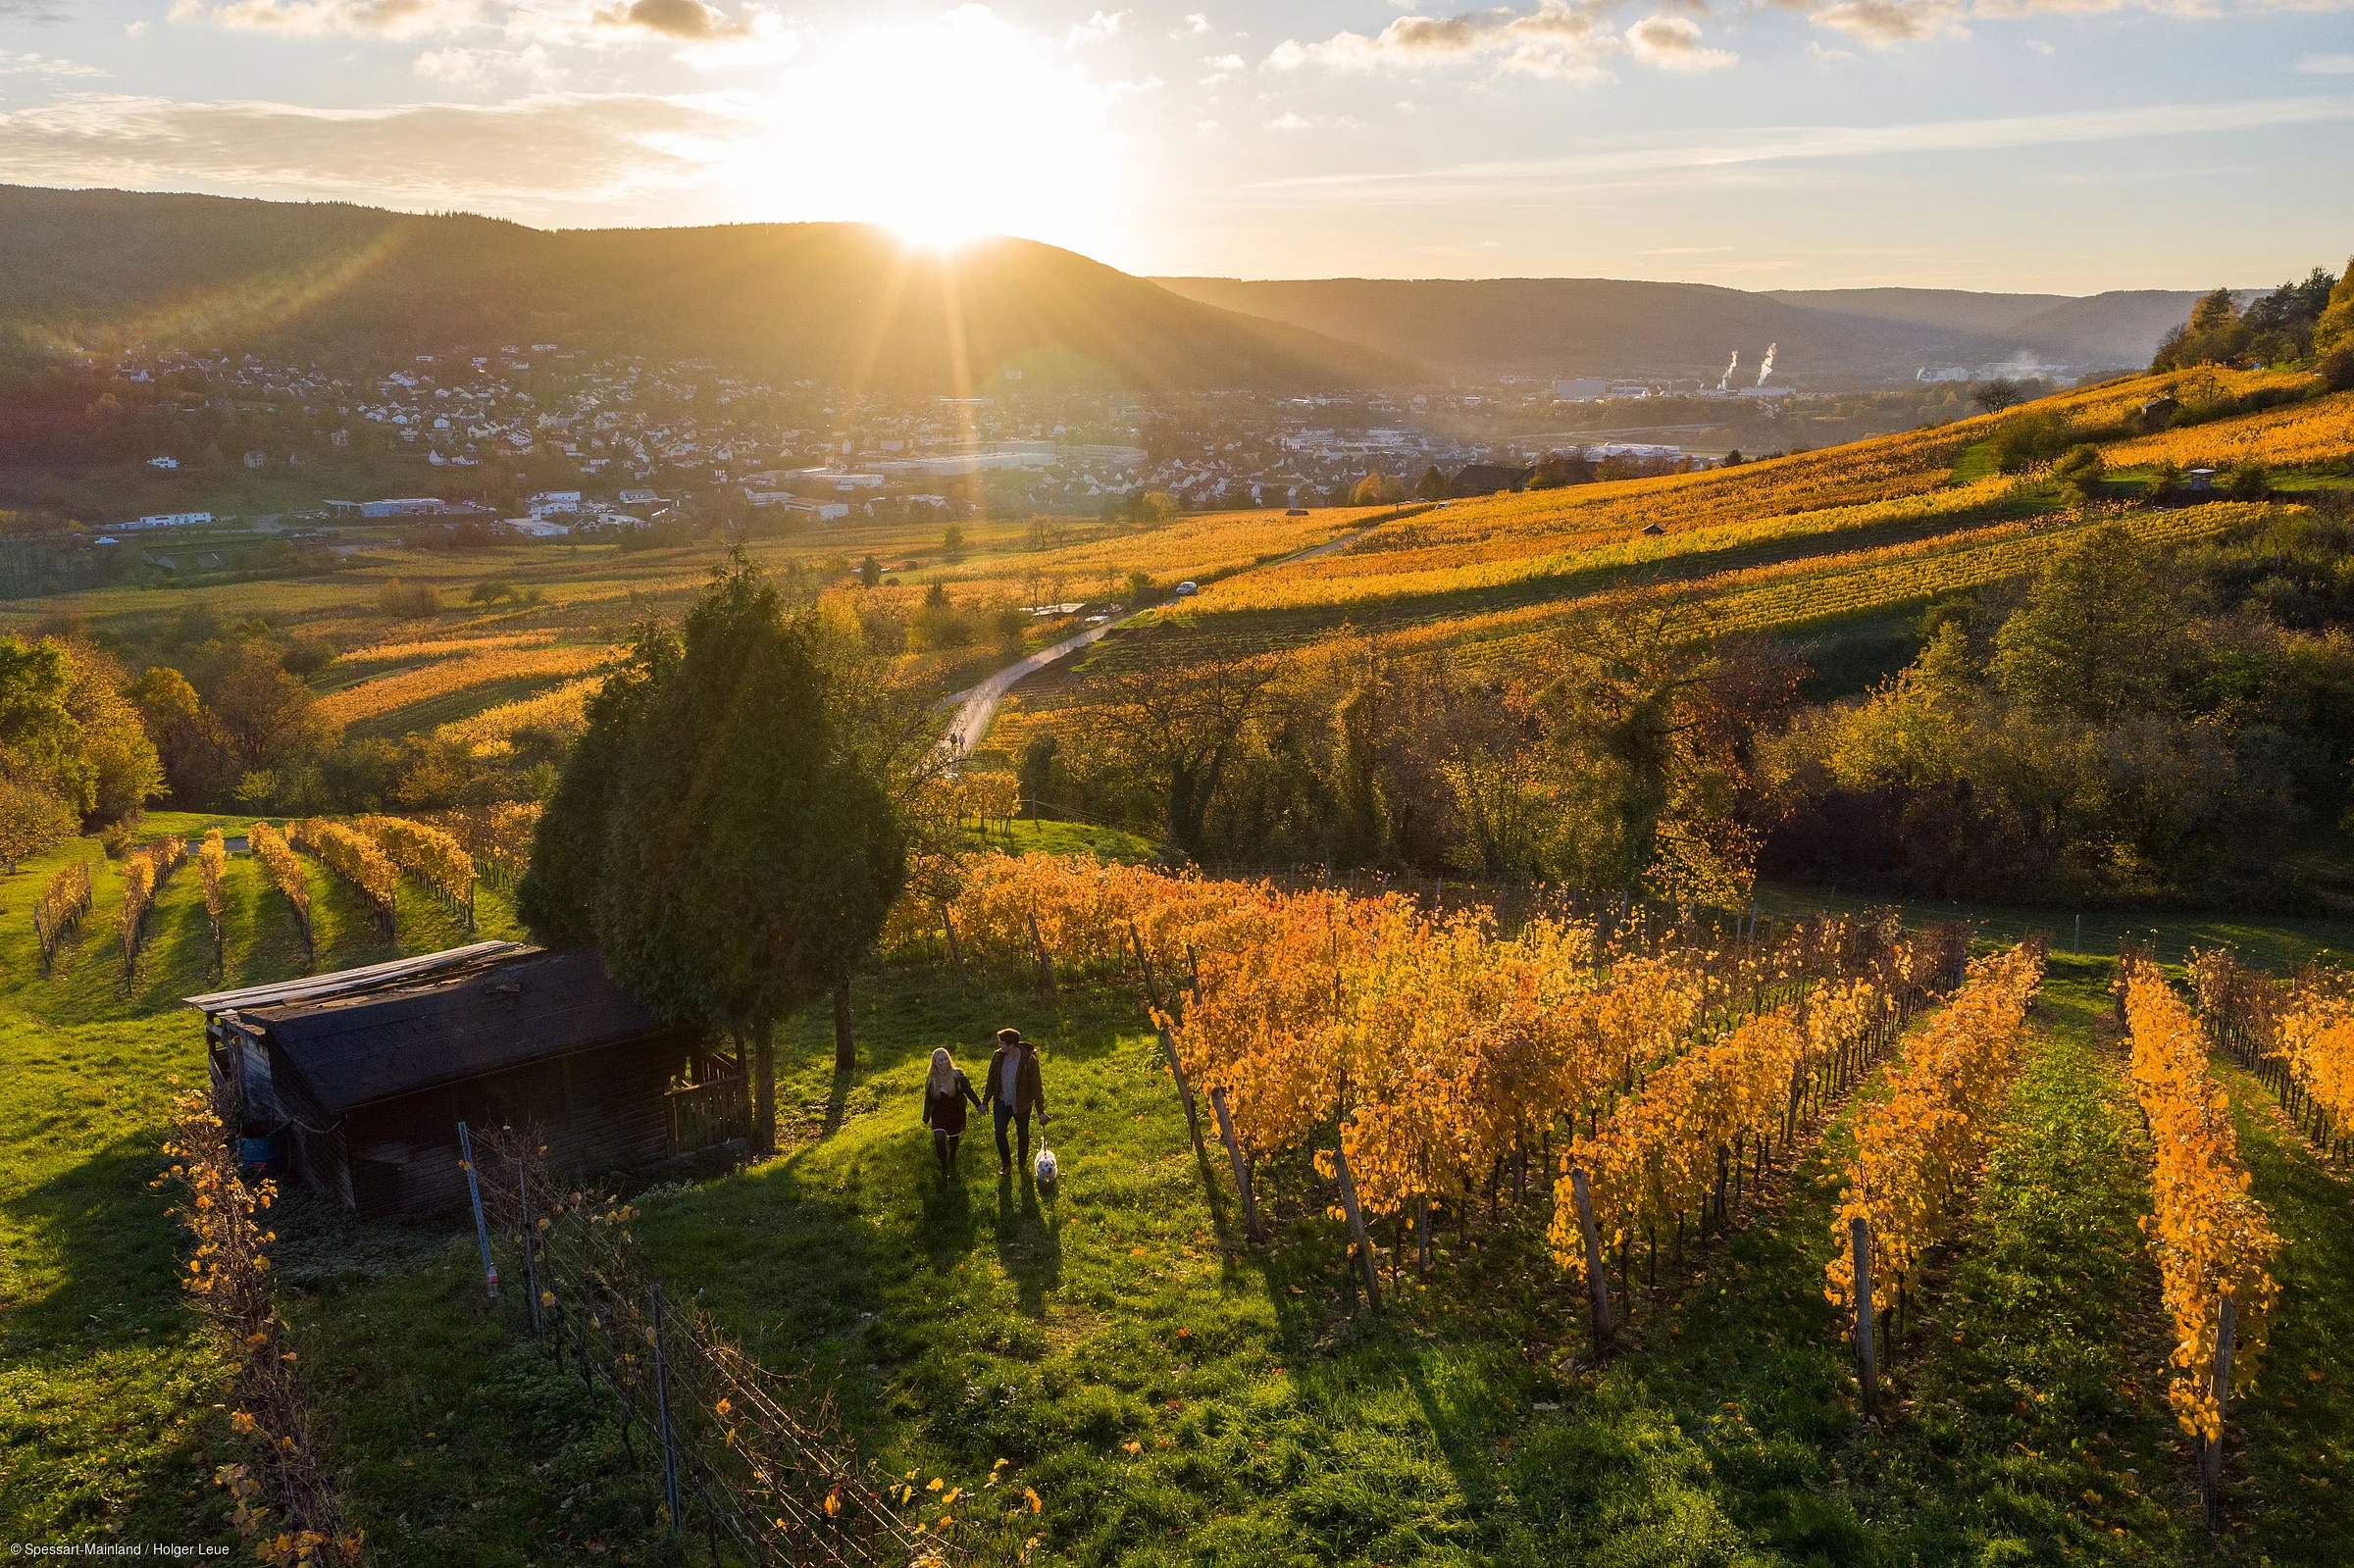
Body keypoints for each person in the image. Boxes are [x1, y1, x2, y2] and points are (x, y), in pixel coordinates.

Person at [982, 1027, 1049, 1175]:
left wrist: (1040, 1111)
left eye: (1002, 1043)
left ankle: (1022, 1164)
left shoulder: (1029, 1059)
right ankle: (1006, 1165)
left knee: (1022, 1134)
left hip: (1022, 1104)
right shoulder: (998, 1057)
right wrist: (985, 1102)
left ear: (1011, 1045)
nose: (1000, 1046)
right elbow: (991, 1080)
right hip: (1002, 1102)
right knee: (999, 1133)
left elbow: (1036, 1086)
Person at [921, 1047, 982, 1176]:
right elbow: (928, 1098)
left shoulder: (957, 1074)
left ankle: (952, 1158)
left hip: (955, 1112)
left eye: (945, 1059)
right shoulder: (931, 1078)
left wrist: (978, 1105)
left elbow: (968, 1090)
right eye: (940, 1060)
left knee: (954, 1138)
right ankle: (944, 1165)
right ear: (935, 1063)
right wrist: (926, 1115)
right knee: (939, 1138)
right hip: (938, 1114)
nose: (944, 1062)